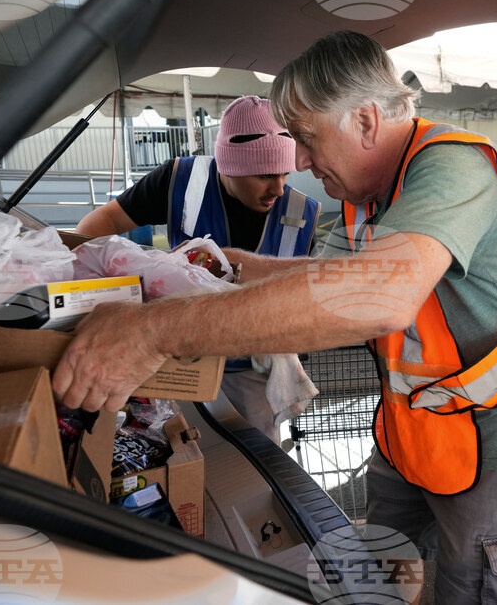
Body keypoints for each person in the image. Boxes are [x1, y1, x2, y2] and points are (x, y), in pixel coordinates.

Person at [54, 30, 497, 604]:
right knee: (382, 574)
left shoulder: (454, 167)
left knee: (478, 587)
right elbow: (324, 278)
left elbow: (378, 294)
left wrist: (154, 329)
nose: (297, 162)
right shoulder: (368, 192)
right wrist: (239, 265)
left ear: (366, 122)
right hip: (414, 427)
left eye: (304, 138)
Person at [75, 95, 321, 444]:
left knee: (252, 460)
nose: (278, 189)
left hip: (250, 372)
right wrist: (100, 291)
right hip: (176, 355)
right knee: (174, 444)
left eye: (284, 173)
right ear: (230, 165)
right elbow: (104, 221)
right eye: (265, 175)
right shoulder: (180, 180)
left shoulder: (302, 212)